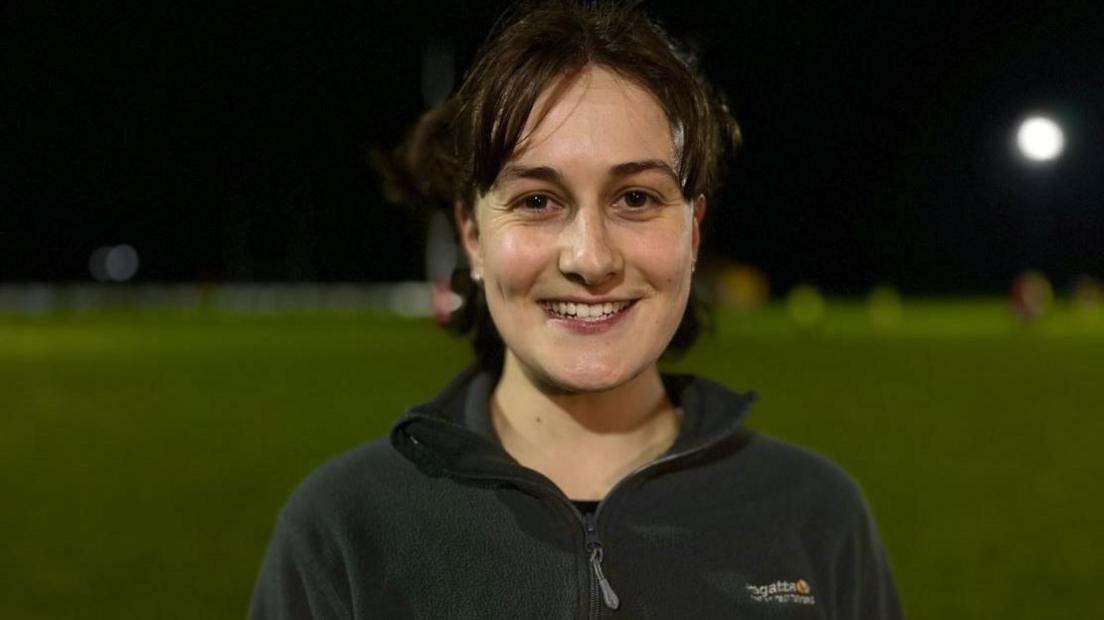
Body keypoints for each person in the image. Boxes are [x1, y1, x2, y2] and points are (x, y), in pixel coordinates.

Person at [250, 1, 902, 618]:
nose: (591, 259)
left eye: (637, 199)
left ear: (694, 232)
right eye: (537, 201)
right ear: (473, 236)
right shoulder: (345, 530)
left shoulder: (814, 514)